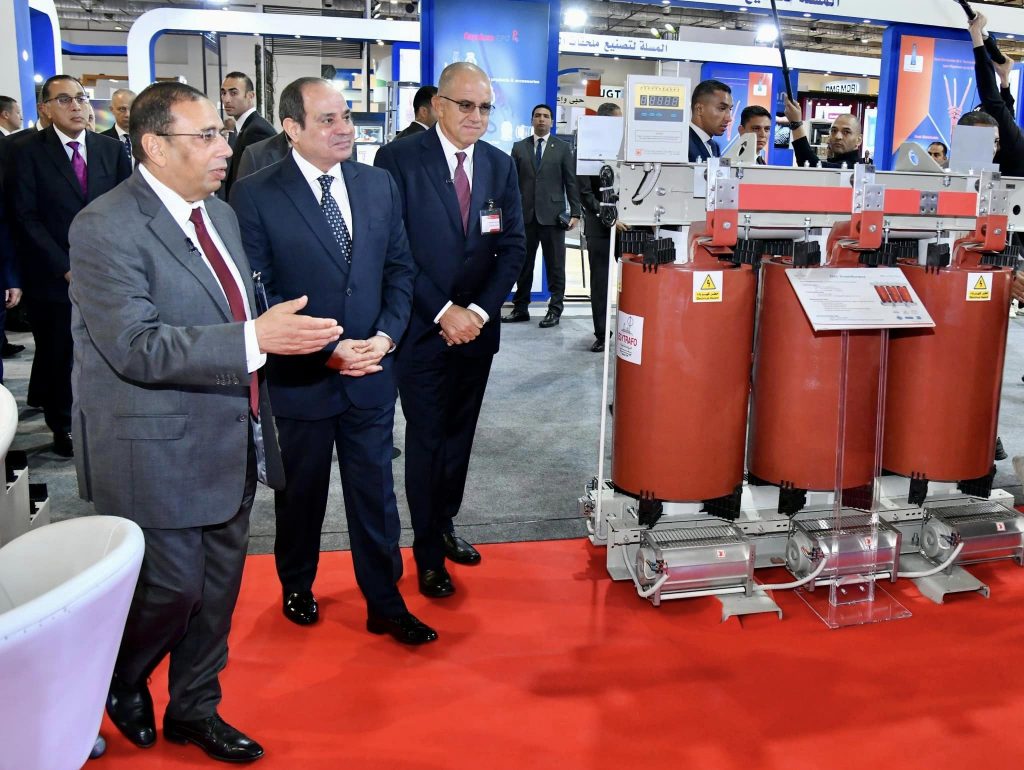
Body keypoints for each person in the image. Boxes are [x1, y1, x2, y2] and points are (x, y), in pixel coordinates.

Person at [69, 81, 343, 763]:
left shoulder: (218, 214)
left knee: (217, 592)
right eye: (208, 136)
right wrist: (256, 339)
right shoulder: (105, 226)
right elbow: (135, 345)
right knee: (173, 589)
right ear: (156, 147)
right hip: (154, 444)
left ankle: (194, 708)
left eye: (223, 132)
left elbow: (241, 314)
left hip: (231, 433)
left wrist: (308, 342)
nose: (225, 148)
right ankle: (121, 677)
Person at [231, 78, 434, 644]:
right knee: (302, 495)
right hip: (302, 378)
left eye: (346, 116)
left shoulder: (377, 184)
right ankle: (297, 584)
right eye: (328, 120)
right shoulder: (255, 193)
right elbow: (258, 291)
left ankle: (385, 601)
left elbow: (400, 269)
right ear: (292, 129)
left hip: (371, 371)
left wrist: (386, 338)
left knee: (376, 494)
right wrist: (326, 350)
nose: (345, 128)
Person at [374, 62, 526, 597]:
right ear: (438, 105)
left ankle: (444, 524)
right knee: (427, 438)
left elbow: (512, 247)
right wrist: (444, 311)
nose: (476, 116)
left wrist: (478, 313)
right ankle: (426, 551)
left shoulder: (499, 165)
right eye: (466, 105)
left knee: (460, 436)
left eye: (485, 107)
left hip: (477, 333)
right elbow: (394, 249)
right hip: (421, 329)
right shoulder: (397, 159)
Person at [6, 74, 131, 457]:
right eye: (64, 100)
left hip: (106, 272)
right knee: (59, 352)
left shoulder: (110, 150)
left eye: (80, 98)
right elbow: (25, 217)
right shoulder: (25, 151)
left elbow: (126, 207)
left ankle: (105, 418)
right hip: (51, 276)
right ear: (45, 108)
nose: (76, 106)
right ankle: (64, 425)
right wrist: (65, 266)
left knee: (107, 348)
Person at [504, 103, 580, 327]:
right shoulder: (519, 148)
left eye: (546, 116)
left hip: (553, 217)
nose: (541, 119)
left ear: (552, 122)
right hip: (525, 217)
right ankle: (520, 308)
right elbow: (511, 184)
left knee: (555, 266)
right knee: (523, 265)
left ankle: (555, 310)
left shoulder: (562, 148)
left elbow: (571, 181)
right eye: (537, 115)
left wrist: (575, 211)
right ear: (532, 120)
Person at [579, 102, 626, 353]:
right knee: (600, 283)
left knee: (632, 280)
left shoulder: (628, 147)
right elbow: (585, 193)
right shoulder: (587, 149)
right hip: (600, 227)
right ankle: (601, 333)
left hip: (629, 227)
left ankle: (630, 330)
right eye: (616, 121)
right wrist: (610, 216)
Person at [967, 9, 1024, 177]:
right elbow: (1007, 113)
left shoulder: (1012, 143)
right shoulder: (1005, 140)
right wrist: (1004, 80)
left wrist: (976, 36)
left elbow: (992, 99)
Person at [220, 72, 275, 198]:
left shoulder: (257, 131)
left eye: (234, 93)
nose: (226, 99)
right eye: (223, 93)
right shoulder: (246, 128)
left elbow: (261, 183)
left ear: (250, 95)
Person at [784, 96, 864, 168]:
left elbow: (811, 165)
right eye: (834, 131)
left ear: (859, 140)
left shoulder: (855, 167)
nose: (838, 136)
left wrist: (796, 124)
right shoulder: (838, 161)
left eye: (846, 132)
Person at [689, 80, 733, 162]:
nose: (729, 118)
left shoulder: (714, 146)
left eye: (730, 109)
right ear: (699, 109)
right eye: (722, 108)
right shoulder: (683, 144)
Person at [101, 88, 136, 163]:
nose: (127, 114)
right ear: (112, 110)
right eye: (122, 109)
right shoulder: (101, 141)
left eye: (132, 108)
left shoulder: (146, 138)